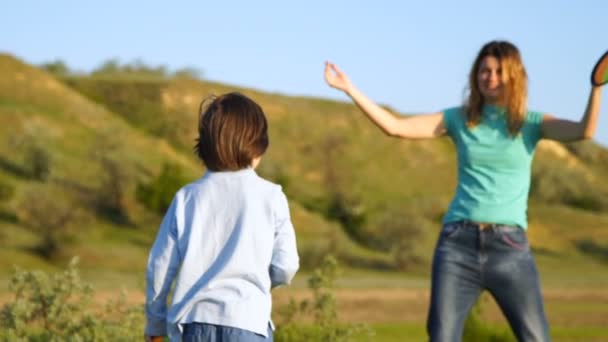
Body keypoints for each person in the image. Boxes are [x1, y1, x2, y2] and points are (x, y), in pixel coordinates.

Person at [324, 40, 603, 341]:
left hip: (509, 247)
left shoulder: (530, 123)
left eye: (498, 71)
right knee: (442, 336)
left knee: (536, 337)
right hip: (458, 244)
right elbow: (395, 127)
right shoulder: (458, 119)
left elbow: (583, 131)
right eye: (484, 70)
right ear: (476, 75)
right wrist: (349, 89)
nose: (490, 77)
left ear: (514, 76)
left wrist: (597, 87)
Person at [144, 92, 300, 342]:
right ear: (258, 147)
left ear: (203, 146)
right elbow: (286, 266)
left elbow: (160, 266)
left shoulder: (186, 197)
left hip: (193, 324)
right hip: (249, 322)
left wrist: (155, 324)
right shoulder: (271, 196)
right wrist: (256, 279)